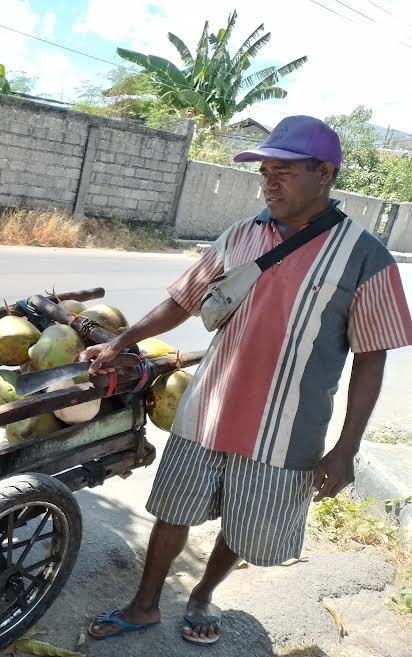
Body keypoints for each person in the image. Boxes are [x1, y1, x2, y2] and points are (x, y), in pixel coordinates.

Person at [83, 115, 412, 646]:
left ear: (324, 173)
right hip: (207, 410)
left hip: (286, 431)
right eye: (265, 171)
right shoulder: (241, 235)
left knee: (245, 526)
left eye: (283, 171)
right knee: (173, 512)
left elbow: (372, 358)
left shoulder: (366, 257)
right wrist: (122, 341)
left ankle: (203, 595)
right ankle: (144, 604)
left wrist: (346, 447)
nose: (269, 181)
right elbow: (182, 301)